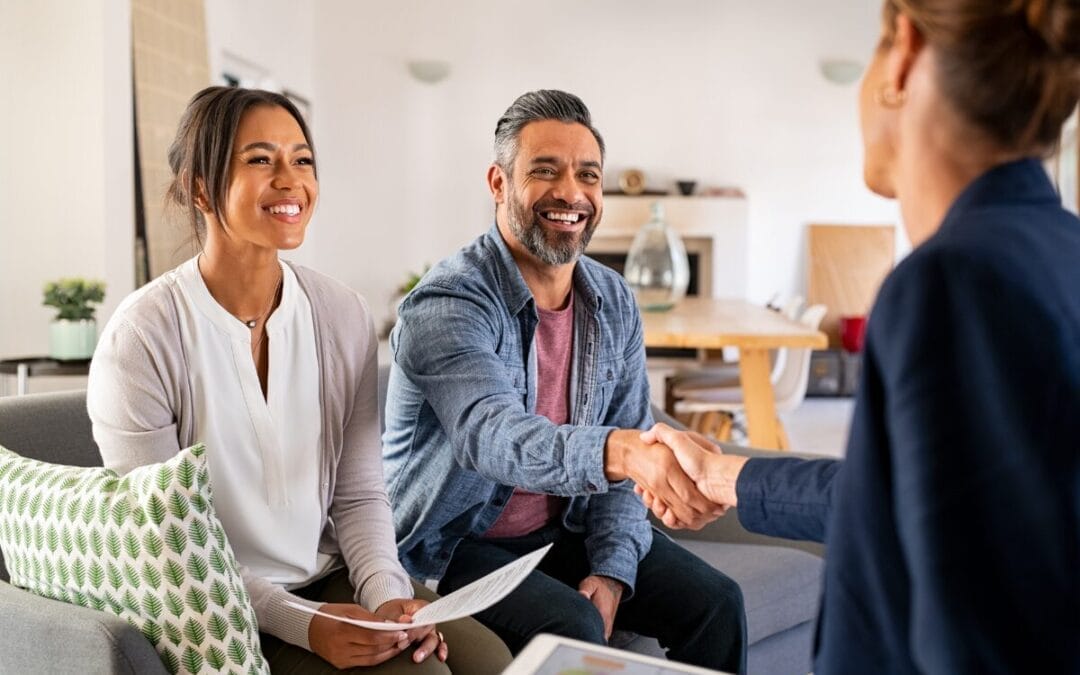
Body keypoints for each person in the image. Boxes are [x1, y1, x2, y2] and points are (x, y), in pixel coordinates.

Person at [636, 1, 1080, 672]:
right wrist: (726, 475)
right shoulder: (1061, 251)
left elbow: (974, 635)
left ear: (902, 51)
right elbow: (915, 503)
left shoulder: (951, 283)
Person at [87, 86, 511, 674]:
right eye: (261, 159)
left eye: (302, 159)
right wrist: (305, 625)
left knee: (495, 662)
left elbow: (360, 493)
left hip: (327, 579)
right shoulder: (142, 336)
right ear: (200, 188)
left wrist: (387, 597)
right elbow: (167, 546)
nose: (291, 180)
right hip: (215, 608)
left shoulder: (341, 313)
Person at [381, 89, 745, 674]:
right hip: (453, 547)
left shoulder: (612, 299)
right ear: (498, 184)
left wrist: (611, 569)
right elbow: (491, 436)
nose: (570, 194)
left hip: (560, 528)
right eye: (544, 171)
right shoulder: (448, 303)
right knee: (570, 625)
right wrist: (621, 450)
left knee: (717, 604)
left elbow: (625, 461)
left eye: (587, 175)